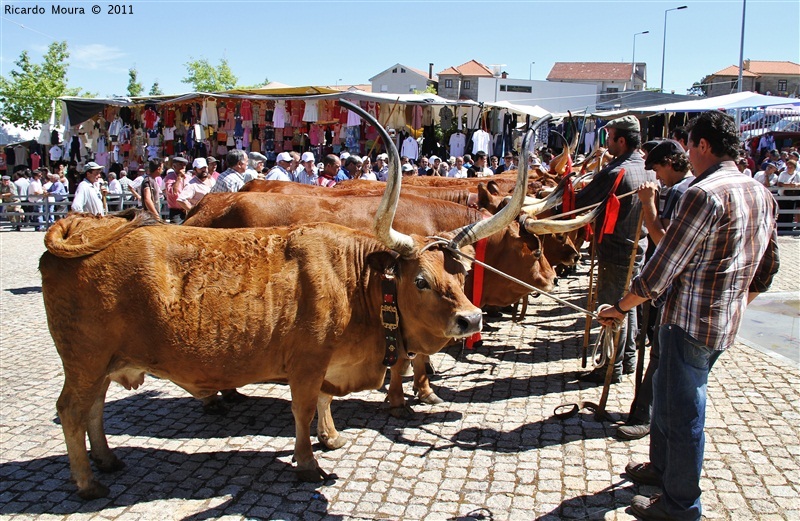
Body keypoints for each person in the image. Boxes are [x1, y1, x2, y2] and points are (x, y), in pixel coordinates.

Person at [599, 110, 779, 521]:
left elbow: (663, 265)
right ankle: (661, 469)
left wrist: (622, 307)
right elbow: (768, 263)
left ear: (701, 146)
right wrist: (740, 300)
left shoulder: (704, 193)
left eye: (690, 146)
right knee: (665, 394)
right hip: (718, 321)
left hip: (689, 322)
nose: (687, 156)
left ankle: (681, 505)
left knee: (684, 414)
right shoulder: (759, 190)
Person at [616, 140, 694, 441]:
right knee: (657, 355)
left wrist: (648, 204)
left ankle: (644, 416)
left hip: (669, 289)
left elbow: (663, 241)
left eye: (659, 168)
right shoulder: (681, 189)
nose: (657, 176)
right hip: (666, 288)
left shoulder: (680, 192)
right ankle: (643, 411)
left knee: (661, 358)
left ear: (673, 162)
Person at [574, 115, 654, 384]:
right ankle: (627, 359)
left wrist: (565, 190)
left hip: (616, 251)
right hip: (637, 248)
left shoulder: (615, 172)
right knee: (626, 306)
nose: (607, 143)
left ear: (621, 140)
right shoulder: (648, 168)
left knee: (611, 309)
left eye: (610, 138)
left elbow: (580, 202)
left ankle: (610, 367)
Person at [164, 156, 190, 224]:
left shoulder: (188, 178)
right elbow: (173, 193)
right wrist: (178, 178)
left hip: (187, 210)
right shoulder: (170, 177)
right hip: (176, 212)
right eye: (180, 165)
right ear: (174, 166)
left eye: (184, 165)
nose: (183, 167)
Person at [776, 159, 799, 227]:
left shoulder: (797, 174)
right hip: (783, 196)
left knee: (790, 214)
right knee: (782, 213)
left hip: (793, 196)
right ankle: (781, 228)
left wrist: (796, 185)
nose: (789, 168)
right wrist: (788, 185)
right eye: (788, 166)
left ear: (794, 167)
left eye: (791, 166)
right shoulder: (783, 173)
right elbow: (779, 183)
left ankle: (788, 228)